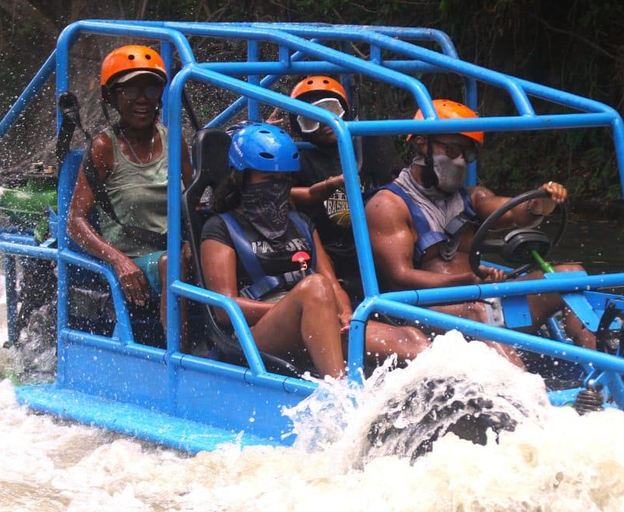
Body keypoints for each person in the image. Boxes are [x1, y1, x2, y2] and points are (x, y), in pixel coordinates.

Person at [364, 99, 597, 365]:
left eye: (467, 154)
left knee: (570, 275)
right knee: (476, 312)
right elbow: (400, 278)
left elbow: (512, 212)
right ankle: (525, 387)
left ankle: (598, 369)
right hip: (425, 311)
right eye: (452, 150)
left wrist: (540, 204)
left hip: (481, 297)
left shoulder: (473, 198)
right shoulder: (388, 205)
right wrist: (467, 281)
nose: (460, 161)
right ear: (421, 144)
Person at [200, 123, 429, 378]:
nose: (278, 188)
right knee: (315, 288)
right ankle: (340, 389)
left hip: (318, 313)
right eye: (269, 179)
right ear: (241, 178)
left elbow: (333, 284)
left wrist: (344, 313)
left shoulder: (301, 223)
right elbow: (223, 308)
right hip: (256, 331)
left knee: (411, 338)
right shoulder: (219, 228)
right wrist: (305, 309)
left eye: (284, 180)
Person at [67, 45, 192, 335]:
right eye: (131, 91)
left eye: (151, 90)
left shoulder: (174, 141)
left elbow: (196, 202)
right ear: (111, 97)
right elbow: (75, 221)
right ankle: (180, 356)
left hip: (177, 253)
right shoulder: (103, 147)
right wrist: (118, 260)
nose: (142, 99)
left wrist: (195, 243)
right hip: (135, 259)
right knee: (170, 263)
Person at [269, 76, 399, 300]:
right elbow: (268, 191)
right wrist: (270, 139)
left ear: (344, 111)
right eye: (310, 120)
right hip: (325, 245)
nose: (323, 124)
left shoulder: (367, 144)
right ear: (299, 127)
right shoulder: (299, 159)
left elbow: (393, 184)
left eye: (331, 110)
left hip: (368, 239)